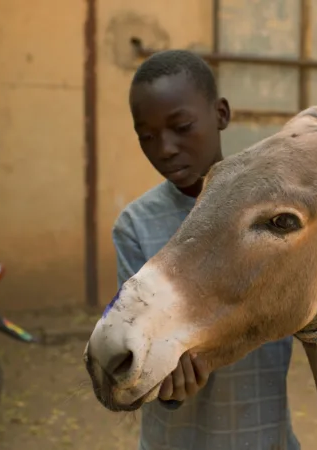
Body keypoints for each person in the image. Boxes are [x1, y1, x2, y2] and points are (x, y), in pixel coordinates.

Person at [112, 49, 301, 450]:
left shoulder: (277, 214)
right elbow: (128, 358)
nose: (164, 148)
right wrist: (162, 384)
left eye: (181, 126)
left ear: (221, 114)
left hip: (267, 437)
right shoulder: (136, 226)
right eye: (146, 136)